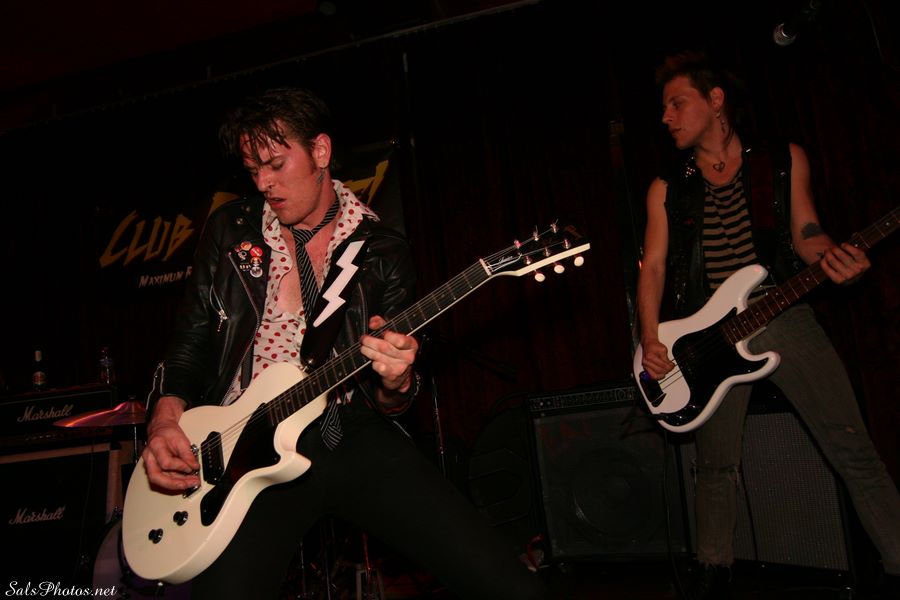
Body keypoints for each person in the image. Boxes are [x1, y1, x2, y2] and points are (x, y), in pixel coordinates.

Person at [140, 87, 545, 600]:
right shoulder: (230, 230)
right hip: (241, 449)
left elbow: (392, 399)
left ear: (321, 151)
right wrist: (165, 419)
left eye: (275, 164)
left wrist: (397, 381)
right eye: (252, 170)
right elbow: (191, 339)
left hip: (347, 433)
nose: (263, 183)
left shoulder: (382, 251)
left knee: (502, 581)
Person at [636, 51, 900, 598]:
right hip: (707, 336)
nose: (666, 116)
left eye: (677, 103)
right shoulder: (666, 186)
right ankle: (713, 572)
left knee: (852, 448)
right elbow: (654, 267)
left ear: (715, 100)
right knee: (714, 466)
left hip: (781, 311)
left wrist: (835, 258)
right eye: (664, 108)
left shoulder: (782, 159)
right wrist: (651, 335)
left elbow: (807, 234)